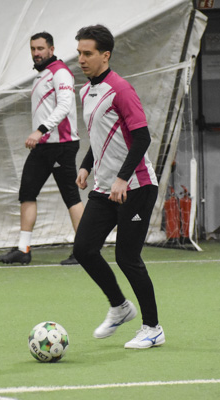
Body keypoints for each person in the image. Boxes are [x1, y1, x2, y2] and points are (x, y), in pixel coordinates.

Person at [73, 25, 165, 349]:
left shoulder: (121, 89)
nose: (81, 59)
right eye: (79, 53)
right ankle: (120, 306)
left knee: (127, 257)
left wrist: (123, 178)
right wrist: (86, 165)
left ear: (105, 55)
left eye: (88, 53)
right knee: (83, 250)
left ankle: (152, 328)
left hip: (136, 186)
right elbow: (98, 136)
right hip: (104, 188)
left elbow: (142, 137)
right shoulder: (86, 92)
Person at [0, 32, 84, 266]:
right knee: (27, 193)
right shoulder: (41, 75)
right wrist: (40, 135)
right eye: (33, 49)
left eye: (41, 48)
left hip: (62, 146)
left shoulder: (60, 72)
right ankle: (23, 249)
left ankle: (84, 251)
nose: (36, 53)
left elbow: (64, 106)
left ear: (51, 49)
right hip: (43, 146)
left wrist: (40, 130)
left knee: (71, 196)